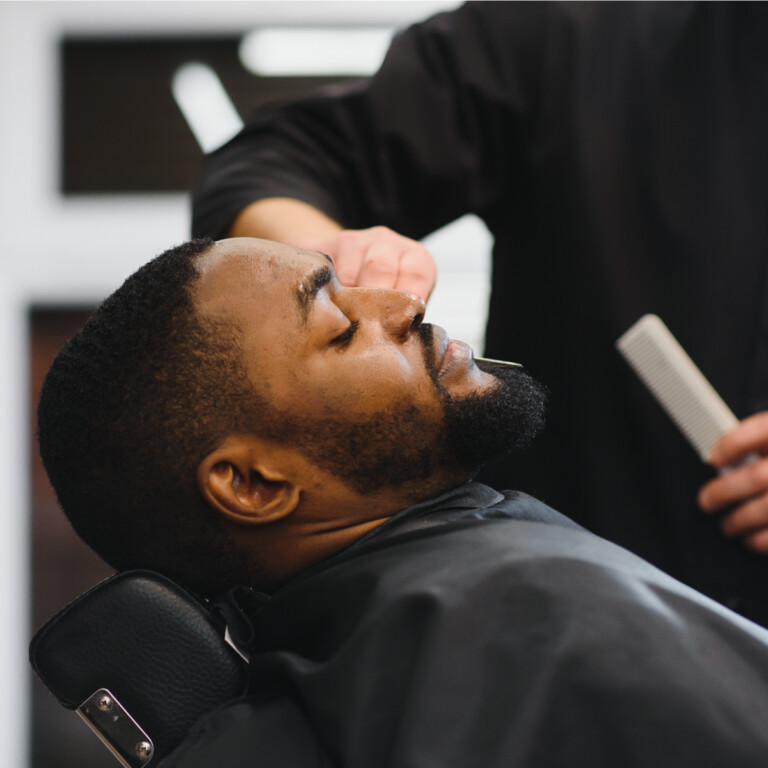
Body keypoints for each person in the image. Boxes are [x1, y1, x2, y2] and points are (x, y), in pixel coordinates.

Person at [37, 237, 768, 766]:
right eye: (340, 327)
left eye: (342, 282)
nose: (405, 302)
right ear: (255, 485)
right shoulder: (514, 620)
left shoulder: (351, 680)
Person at [190, 1, 768, 628]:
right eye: (340, 327)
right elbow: (276, 159)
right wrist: (328, 259)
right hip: (564, 616)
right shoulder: (571, 31)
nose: (406, 320)